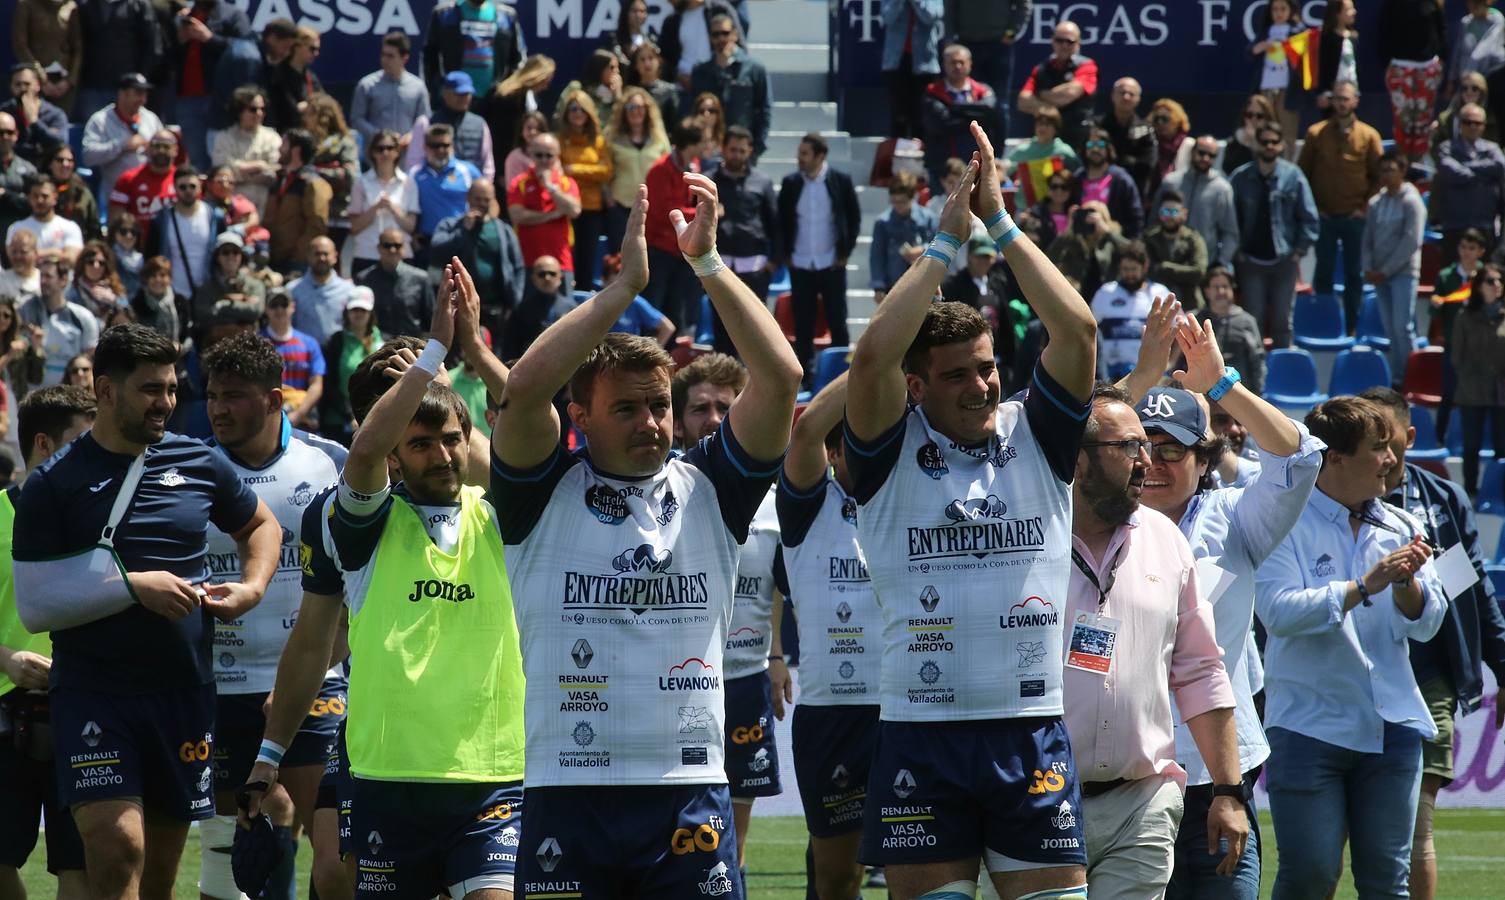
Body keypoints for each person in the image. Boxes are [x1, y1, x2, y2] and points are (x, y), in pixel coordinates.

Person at [493, 142, 799, 894]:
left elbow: (783, 376)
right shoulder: (539, 491)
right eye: (625, 408)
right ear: (582, 417)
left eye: (658, 405)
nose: (651, 423)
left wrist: (709, 265)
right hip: (564, 788)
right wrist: (623, 288)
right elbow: (522, 392)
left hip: (687, 789)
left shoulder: (712, 488)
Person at [841, 122, 1094, 900]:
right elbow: (869, 357)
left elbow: (1077, 329)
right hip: (920, 736)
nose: (982, 386)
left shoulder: (1037, 435)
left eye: (987, 369)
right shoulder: (885, 449)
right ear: (917, 387)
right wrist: (943, 245)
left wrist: (1004, 223)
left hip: (1030, 732)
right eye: (957, 376)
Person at [247, 264, 525, 900]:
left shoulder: (497, 513)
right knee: (330, 877)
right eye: (416, 434)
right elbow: (314, 640)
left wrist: (462, 358)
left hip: (489, 772)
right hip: (383, 757)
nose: (442, 453)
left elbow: (514, 455)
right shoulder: (351, 518)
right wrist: (272, 750)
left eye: (448, 434)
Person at [10, 322, 278, 900]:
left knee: (156, 878)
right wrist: (133, 587)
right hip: (94, 695)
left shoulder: (198, 461)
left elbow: (259, 523)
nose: (167, 404)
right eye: (151, 390)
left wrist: (252, 588)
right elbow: (36, 604)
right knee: (116, 851)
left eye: (172, 389)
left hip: (183, 693)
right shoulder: (52, 485)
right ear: (106, 391)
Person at [1114, 310, 1322, 900]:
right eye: (1139, 448)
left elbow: (1300, 459)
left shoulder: (1232, 520)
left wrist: (1222, 384)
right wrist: (1141, 375)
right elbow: (1058, 443)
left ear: (1204, 461)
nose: (1151, 465)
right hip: (1123, 772)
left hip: (1216, 774)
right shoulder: (1093, 524)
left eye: (1171, 451)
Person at [1256, 395, 1446, 900]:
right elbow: (1278, 612)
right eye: (1378, 448)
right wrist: (1362, 586)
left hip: (1394, 728)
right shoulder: (1284, 521)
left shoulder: (1403, 527)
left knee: (1388, 883)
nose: (1391, 459)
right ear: (1335, 457)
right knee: (1311, 874)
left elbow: (1430, 623)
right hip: (1308, 725)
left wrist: (1406, 586)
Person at [1063, 384, 1243, 899]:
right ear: (1077, 460)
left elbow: (1200, 670)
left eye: (1148, 446)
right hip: (1036, 801)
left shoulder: (1167, 540)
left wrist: (1228, 790)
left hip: (1140, 801)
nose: (1146, 462)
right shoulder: (1027, 538)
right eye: (1129, 448)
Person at [197, 331, 346, 900]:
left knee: (334, 856)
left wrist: (339, 648)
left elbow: (359, 577)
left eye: (232, 396)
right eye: (212, 395)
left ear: (274, 400)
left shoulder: (329, 464)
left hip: (318, 686)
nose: (217, 408)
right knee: (236, 847)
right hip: (221, 687)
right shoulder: (189, 471)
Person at [1352, 386, 1505, 900]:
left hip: (1426, 685)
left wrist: (1502, 666)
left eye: (1389, 440)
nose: (1383, 455)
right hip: (1346, 681)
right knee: (1326, 842)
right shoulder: (1329, 499)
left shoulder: (1440, 504)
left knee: (1415, 829)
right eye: (1370, 442)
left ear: (1410, 437)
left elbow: (1469, 591)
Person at [670, 353, 788, 874]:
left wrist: (778, 654)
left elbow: (775, 583)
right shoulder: (657, 491)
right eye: (700, 408)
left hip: (745, 680)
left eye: (725, 406)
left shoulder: (771, 496)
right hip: (677, 684)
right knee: (673, 835)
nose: (713, 419)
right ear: (677, 419)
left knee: (730, 852)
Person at [774, 373, 876, 900]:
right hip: (832, 715)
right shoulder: (807, 505)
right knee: (837, 878)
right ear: (834, 453)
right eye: (852, 444)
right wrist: (886, 348)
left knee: (922, 870)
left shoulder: (912, 495)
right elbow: (806, 429)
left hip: (911, 711)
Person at [0, 384, 94, 900]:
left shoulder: (99, 522)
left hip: (82, 710)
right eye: (81, 442)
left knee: (78, 867)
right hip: (4, 716)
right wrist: (7, 658)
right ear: (43, 444)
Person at [1298, 80, 1382, 330]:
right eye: (1338, 98)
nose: (1342, 103)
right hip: (1324, 217)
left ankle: (1353, 326)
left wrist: (1364, 207)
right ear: (1331, 101)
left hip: (1355, 217)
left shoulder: (1369, 135)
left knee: (1354, 274)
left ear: (1356, 101)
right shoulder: (1316, 133)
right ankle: (1324, 323)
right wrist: (1315, 209)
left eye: (1346, 98)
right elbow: (1304, 175)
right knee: (1323, 272)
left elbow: (1379, 177)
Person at [1229, 121, 1318, 349]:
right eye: (1264, 141)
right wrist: (1236, 251)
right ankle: (1252, 379)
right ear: (1256, 145)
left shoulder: (1293, 176)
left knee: (1282, 322)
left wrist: (1299, 251)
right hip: (1250, 262)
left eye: (1274, 142)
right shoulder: (1240, 177)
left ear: (1281, 146)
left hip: (1284, 261)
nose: (1269, 146)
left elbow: (1310, 218)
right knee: (1253, 320)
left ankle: (1283, 373)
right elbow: (1230, 220)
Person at [778, 132, 860, 382]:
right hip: (801, 264)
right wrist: (786, 254)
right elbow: (781, 222)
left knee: (838, 321)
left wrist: (845, 252)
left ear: (820, 155)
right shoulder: (791, 183)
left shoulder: (840, 181)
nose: (799, 159)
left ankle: (842, 376)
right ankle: (807, 378)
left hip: (831, 263)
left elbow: (853, 218)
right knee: (803, 324)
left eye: (804, 154)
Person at [162, 0, 252, 170]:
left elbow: (246, 49)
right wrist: (179, 40)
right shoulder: (184, 17)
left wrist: (209, 38)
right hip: (187, 99)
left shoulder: (233, 15)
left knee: (221, 159)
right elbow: (166, 59)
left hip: (220, 100)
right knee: (197, 160)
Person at [431, 180, 526, 339]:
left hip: (494, 308)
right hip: (459, 307)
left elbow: (518, 266)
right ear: (468, 198)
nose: (482, 204)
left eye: (486, 200)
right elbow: (436, 251)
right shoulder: (451, 225)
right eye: (477, 199)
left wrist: (515, 298)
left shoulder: (503, 230)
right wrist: (463, 231)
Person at [1362, 151, 1427, 382]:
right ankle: (1399, 377)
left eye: (1391, 170)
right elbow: (1367, 238)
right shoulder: (1375, 203)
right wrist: (1368, 267)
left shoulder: (1413, 202)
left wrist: (1386, 270)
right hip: (1379, 275)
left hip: (1403, 274)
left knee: (1402, 326)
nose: (1386, 175)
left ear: (1402, 171)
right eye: (1383, 170)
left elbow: (1411, 241)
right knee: (1390, 328)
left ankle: (1413, 377)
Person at [641, 119, 705, 333]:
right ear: (691, 143)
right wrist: (701, 213)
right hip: (659, 249)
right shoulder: (661, 169)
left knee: (676, 313)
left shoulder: (693, 164)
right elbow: (664, 211)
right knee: (655, 312)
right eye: (702, 141)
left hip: (680, 250)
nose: (706, 146)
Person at [1449, 261, 1505, 497]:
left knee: (1502, 449)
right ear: (1479, 286)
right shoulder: (1464, 316)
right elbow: (1456, 357)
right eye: (1490, 281)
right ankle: (1470, 492)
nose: (1496, 285)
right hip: (1471, 392)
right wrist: (1471, 377)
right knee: (1471, 447)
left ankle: (1499, 492)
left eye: (1500, 281)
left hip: (1501, 392)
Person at [692, 9, 771, 160]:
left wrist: (756, 149)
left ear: (734, 34)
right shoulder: (701, 70)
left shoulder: (754, 69)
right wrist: (720, 68)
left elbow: (764, 110)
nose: (721, 38)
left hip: (742, 152)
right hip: (711, 152)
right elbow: (696, 108)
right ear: (710, 38)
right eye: (716, 34)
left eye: (725, 33)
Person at [1432, 227, 1488, 441]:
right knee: (1448, 393)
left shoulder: (1488, 277)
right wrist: (1436, 304)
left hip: (1482, 346)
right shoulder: (1446, 276)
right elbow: (1435, 313)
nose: (1466, 252)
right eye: (1463, 247)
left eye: (1472, 248)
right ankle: (1439, 437)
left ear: (1481, 251)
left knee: (1482, 397)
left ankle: (1481, 441)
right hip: (1455, 344)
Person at [506, 132, 582, 289]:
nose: (544, 160)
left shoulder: (566, 183)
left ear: (557, 156)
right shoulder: (519, 183)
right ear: (531, 155)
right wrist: (552, 214)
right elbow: (517, 216)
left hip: (561, 264)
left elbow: (574, 210)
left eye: (549, 156)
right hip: (527, 263)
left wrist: (550, 187)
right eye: (539, 155)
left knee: (566, 312)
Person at [945, 0, 1029, 139]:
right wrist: (950, 37)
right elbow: (950, 6)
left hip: (999, 46)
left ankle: (999, 156)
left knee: (1000, 103)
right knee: (968, 104)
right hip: (967, 42)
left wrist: (1012, 32)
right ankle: (972, 153)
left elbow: (1024, 4)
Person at [1431, 102, 1505, 260]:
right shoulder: (1446, 147)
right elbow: (1451, 172)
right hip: (1454, 225)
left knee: (1484, 279)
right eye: (1467, 122)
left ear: (1484, 125)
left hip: (1485, 225)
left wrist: (1465, 166)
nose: (1472, 126)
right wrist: (1485, 174)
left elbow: (1500, 166)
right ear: (1459, 123)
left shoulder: (1492, 149)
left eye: (1477, 123)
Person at [556, 88, 613, 290]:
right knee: (568, 256)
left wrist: (575, 170)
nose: (578, 113)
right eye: (573, 109)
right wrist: (590, 174)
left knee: (587, 260)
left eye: (582, 109)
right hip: (567, 207)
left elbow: (606, 171)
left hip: (591, 208)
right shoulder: (560, 140)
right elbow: (559, 171)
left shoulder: (597, 141)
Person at [921, 44, 998, 190]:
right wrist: (974, 117)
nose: (957, 66)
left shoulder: (983, 91)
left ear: (970, 64)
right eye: (953, 62)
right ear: (944, 65)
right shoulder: (932, 93)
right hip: (943, 170)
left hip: (977, 166)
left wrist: (953, 108)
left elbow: (989, 112)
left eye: (961, 62)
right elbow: (942, 123)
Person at [81, 73, 164, 207]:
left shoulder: (150, 118)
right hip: (117, 196)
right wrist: (121, 145)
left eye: (144, 94)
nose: (142, 99)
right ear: (122, 94)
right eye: (138, 93)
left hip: (149, 196)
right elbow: (88, 156)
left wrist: (155, 150)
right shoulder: (100, 120)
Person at [1378, 0, 1448, 160]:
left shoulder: (1433, 3)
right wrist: (1387, 63)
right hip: (1400, 69)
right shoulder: (1392, 4)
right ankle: (1402, 166)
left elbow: (1441, 29)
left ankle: (1419, 166)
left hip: (1428, 69)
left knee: (1422, 123)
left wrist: (1441, 58)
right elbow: (1383, 30)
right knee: (1404, 122)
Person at [146, 165, 225, 305]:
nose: (188, 191)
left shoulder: (214, 216)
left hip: (207, 294)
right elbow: (152, 255)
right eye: (183, 187)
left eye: (192, 186)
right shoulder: (162, 220)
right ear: (175, 188)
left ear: (200, 187)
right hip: (172, 294)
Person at [1158, 135, 1239, 271]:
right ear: (1192, 152)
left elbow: (1230, 233)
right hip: (1167, 263)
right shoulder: (1171, 182)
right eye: (1201, 153)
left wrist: (1220, 263)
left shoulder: (1222, 189)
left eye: (1211, 155)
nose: (1205, 158)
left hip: (1203, 266)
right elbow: (1154, 219)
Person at [1090, 241, 1167, 381]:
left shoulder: (1159, 293)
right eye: (1125, 269)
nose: (1129, 274)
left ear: (1145, 267)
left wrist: (1170, 363)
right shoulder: (1106, 292)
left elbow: (1178, 329)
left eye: (1133, 269)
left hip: (1148, 375)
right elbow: (1090, 329)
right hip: (1109, 374)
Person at [607, 86, 670, 254]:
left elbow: (668, 169)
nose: (636, 112)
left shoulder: (659, 138)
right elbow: (604, 170)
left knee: (650, 255)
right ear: (624, 112)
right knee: (621, 255)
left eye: (640, 107)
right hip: (621, 206)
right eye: (630, 108)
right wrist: (608, 197)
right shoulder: (612, 138)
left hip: (653, 207)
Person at [74, 0, 161, 121]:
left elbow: (153, 46)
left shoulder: (138, 4)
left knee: (128, 135)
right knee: (92, 132)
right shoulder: (85, 5)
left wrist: (139, 83)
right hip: (92, 87)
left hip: (128, 89)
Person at [1017, 20, 1098, 150]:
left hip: (1078, 137)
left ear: (1078, 44)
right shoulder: (1041, 69)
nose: (1064, 45)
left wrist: (1041, 94)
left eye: (1070, 41)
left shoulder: (1087, 65)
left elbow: (1069, 94)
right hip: (1047, 140)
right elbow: (1023, 101)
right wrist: (1052, 111)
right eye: (1060, 40)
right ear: (1052, 41)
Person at [18, 258, 98, 387]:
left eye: (48, 276)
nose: (43, 281)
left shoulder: (83, 317)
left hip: (69, 390)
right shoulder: (25, 309)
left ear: (63, 280)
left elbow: (89, 354)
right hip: (32, 388)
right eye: (41, 276)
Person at [421, 0, 527, 97]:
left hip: (495, 100)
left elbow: (518, 58)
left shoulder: (507, 15)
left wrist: (507, 89)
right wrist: (437, 90)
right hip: (455, 97)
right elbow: (429, 56)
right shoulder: (443, 14)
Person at [405, 71, 496, 183]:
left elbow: (487, 164)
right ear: (445, 93)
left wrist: (484, 186)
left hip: (471, 190)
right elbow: (414, 162)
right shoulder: (425, 122)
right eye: (459, 94)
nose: (464, 98)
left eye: (467, 94)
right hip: (435, 188)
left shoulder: (480, 123)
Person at [350, 31, 433, 153]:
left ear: (404, 58)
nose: (385, 60)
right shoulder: (367, 85)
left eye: (390, 56)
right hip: (375, 157)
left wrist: (411, 137)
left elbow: (425, 118)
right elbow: (356, 119)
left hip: (407, 158)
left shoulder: (418, 87)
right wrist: (380, 136)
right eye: (383, 55)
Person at [318, 298, 385, 443]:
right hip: (338, 422)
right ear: (346, 313)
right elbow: (329, 383)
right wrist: (350, 416)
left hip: (375, 421)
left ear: (371, 313)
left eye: (363, 310)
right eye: (354, 310)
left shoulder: (383, 341)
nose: (359, 314)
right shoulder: (335, 341)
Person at [482, 55, 556, 184]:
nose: (546, 87)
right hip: (505, 166)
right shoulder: (508, 98)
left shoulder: (530, 97)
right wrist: (501, 171)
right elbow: (499, 137)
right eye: (544, 82)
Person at [265, 129, 331, 273]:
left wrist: (300, 255)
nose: (279, 149)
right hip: (275, 256)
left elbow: (317, 224)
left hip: (296, 262)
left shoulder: (312, 183)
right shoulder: (279, 179)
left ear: (296, 150)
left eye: (284, 144)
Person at [1192, 266, 1265, 396]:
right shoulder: (1196, 320)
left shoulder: (1246, 321)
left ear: (1232, 290)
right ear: (1207, 291)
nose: (1221, 291)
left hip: (1238, 394)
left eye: (1225, 286)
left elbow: (1257, 360)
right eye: (1216, 287)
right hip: (1201, 394)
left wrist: (1256, 393)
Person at [209, 85, 280, 216]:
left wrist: (240, 174)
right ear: (239, 111)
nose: (259, 113)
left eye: (262, 109)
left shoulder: (272, 137)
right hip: (233, 209)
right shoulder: (224, 137)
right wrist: (258, 166)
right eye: (253, 109)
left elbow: (275, 170)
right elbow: (221, 170)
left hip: (266, 207)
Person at [413, 122, 483, 254]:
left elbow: (490, 202)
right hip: (427, 243)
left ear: (453, 146)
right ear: (425, 147)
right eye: (435, 146)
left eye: (445, 145)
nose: (441, 150)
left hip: (463, 239)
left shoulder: (468, 171)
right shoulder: (414, 175)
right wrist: (411, 235)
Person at [261, 290, 325, 432]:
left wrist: (298, 414)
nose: (279, 309)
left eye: (284, 304)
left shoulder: (309, 343)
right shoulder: (258, 342)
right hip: (267, 420)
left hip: (303, 421)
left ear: (292, 307)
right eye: (274, 305)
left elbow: (316, 384)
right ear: (266, 309)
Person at [301, 94, 360, 250]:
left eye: (309, 113)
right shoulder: (304, 141)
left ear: (323, 116)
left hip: (336, 213)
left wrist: (318, 172)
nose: (305, 118)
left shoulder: (343, 143)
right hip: (307, 214)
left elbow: (350, 176)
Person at [870, 171, 937, 305]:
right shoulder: (883, 223)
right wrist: (879, 287)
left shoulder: (928, 218)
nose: (898, 206)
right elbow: (877, 256)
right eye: (894, 201)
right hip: (894, 287)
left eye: (903, 202)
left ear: (912, 197)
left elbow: (938, 245)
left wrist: (922, 249)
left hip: (922, 285)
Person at [357, 227, 436, 340]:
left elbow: (431, 320)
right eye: (387, 246)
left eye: (397, 245)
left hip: (411, 348)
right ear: (379, 248)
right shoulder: (364, 279)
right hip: (377, 348)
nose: (392, 250)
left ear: (404, 248)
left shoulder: (421, 278)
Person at [880, 0, 944, 140]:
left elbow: (931, 16)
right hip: (897, 62)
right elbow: (887, 17)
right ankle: (896, 157)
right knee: (899, 115)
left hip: (924, 63)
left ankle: (923, 156)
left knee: (922, 116)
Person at [1249, 0, 1303, 158]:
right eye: (1275, 9)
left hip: (1287, 89)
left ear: (1291, 11)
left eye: (1283, 9)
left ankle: (1285, 165)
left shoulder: (1297, 31)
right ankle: (1261, 161)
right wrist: (1260, 47)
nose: (1279, 13)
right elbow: (1250, 52)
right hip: (1266, 87)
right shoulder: (1266, 31)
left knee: (1287, 130)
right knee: (1263, 127)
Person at [1046, 199, 1130, 300]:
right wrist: (1069, 230)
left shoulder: (1110, 240)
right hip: (1078, 297)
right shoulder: (1072, 240)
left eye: (1093, 218)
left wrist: (1107, 232)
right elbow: (1049, 258)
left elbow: (1132, 252)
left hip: (1107, 297)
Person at [1076, 124, 1143, 238]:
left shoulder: (1121, 179)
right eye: (1090, 144)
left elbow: (1135, 216)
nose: (1095, 149)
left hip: (1113, 242)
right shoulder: (1077, 177)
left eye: (1100, 145)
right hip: (1082, 242)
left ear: (1108, 148)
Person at [1144, 190, 1208, 309]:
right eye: (1165, 211)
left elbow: (1199, 272)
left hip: (1190, 302)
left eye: (1174, 212)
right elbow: (1148, 270)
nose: (1169, 217)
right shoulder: (1149, 238)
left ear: (1184, 214)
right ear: (1159, 213)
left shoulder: (1193, 239)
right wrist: (1183, 272)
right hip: (1156, 303)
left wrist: (1166, 267)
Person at [191, 231, 265, 333]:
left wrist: (222, 304)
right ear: (217, 257)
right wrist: (242, 304)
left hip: (248, 344)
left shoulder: (255, 285)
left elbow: (255, 311)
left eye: (235, 252)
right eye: (225, 252)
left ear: (241, 256)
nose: (231, 256)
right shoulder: (206, 287)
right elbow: (204, 316)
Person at [288, 237, 354, 347]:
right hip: (303, 355)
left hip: (337, 355)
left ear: (335, 257)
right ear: (308, 256)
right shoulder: (292, 290)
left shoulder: (349, 290)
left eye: (326, 254)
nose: (322, 258)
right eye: (317, 254)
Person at [662, 0, 743, 88]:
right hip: (682, 88)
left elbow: (739, 46)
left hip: (717, 85)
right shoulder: (672, 20)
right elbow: (665, 59)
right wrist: (678, 76)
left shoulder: (719, 9)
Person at [7, 174, 84, 266]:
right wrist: (54, 252)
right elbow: (15, 260)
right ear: (29, 198)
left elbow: (71, 259)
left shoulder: (70, 227)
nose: (40, 200)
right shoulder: (17, 228)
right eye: (35, 196)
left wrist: (32, 254)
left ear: (55, 198)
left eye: (45, 196)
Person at [1094, 77, 1154, 195]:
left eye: (1131, 94)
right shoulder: (1097, 125)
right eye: (1122, 93)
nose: (1126, 97)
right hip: (1099, 188)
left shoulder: (1146, 129)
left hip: (1132, 191)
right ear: (1112, 95)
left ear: (1138, 99)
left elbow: (1148, 164)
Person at [2, 62, 69, 167]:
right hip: (10, 170)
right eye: (18, 84)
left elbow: (59, 143)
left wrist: (34, 122)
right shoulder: (4, 112)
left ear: (37, 85)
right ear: (11, 87)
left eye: (27, 84)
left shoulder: (55, 114)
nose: (23, 89)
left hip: (43, 171)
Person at [263, 25, 324, 132]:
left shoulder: (311, 76)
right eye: (312, 49)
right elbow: (289, 110)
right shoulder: (278, 75)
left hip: (309, 134)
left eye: (318, 49)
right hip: (285, 136)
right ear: (297, 46)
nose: (316, 54)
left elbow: (323, 104)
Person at [43, 144, 98, 244]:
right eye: (60, 160)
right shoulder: (40, 191)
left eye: (70, 161)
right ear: (49, 163)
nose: (65, 164)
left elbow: (93, 227)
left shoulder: (82, 192)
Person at [1448, 0, 1505, 96]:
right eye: (1470, 3)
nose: (1473, 6)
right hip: (1466, 81)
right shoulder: (1466, 23)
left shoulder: (1497, 21)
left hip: (1489, 79)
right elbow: (1457, 52)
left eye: (1477, 3)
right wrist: (1451, 80)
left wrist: (1472, 73)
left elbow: (1486, 49)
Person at [0, 111, 39, 241]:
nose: (4, 137)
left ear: (16, 134)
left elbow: (33, 203)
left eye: (9, 132)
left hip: (20, 238)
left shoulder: (28, 169)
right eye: (0, 133)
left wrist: (6, 195)